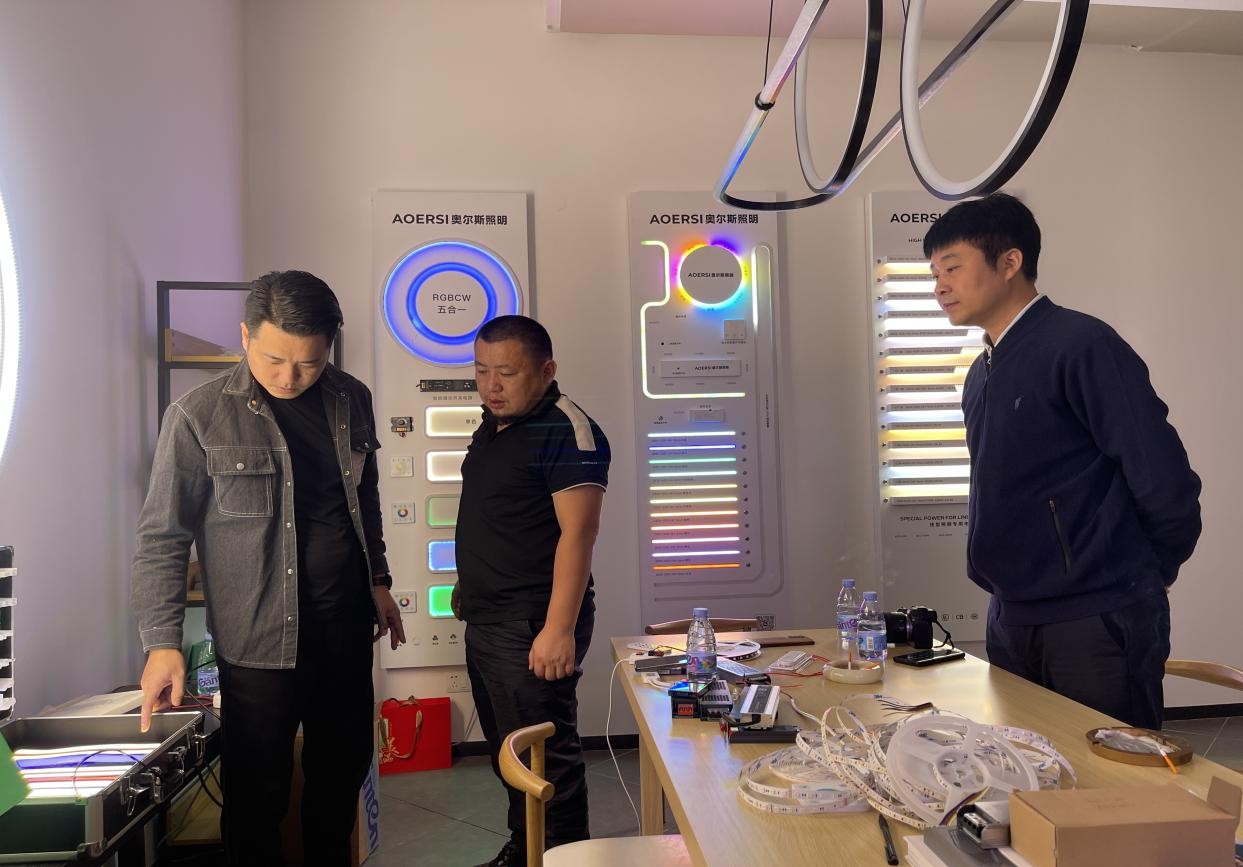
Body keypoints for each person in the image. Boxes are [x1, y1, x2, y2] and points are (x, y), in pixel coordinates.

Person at [131, 270, 405, 865]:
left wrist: (378, 580)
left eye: (309, 363)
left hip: (344, 630)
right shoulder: (197, 415)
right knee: (257, 798)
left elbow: (365, 496)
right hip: (256, 643)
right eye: (274, 359)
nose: (289, 378)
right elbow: (162, 536)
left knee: (339, 782)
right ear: (245, 336)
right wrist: (162, 642)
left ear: (329, 348)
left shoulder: (352, 398)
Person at [924, 193, 1201, 730]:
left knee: (1109, 773)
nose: (939, 286)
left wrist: (1151, 572)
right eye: (934, 273)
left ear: (1010, 262)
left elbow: (1161, 473)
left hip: (1094, 617)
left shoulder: (1081, 344)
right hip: (1011, 616)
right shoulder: (982, 371)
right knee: (1026, 770)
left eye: (952, 268)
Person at [454, 315, 610, 867]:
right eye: (481, 371)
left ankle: (561, 858)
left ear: (546, 371)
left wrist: (559, 629)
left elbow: (579, 533)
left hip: (533, 624)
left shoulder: (567, 429)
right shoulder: (494, 425)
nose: (491, 385)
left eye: (507, 373)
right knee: (511, 754)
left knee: (547, 760)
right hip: (488, 619)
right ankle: (527, 851)